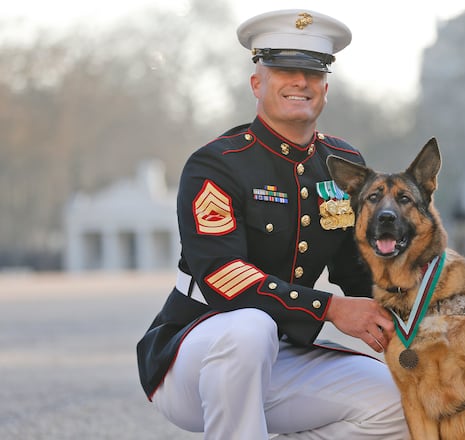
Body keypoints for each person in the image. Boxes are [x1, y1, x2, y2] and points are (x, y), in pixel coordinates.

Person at [136, 9, 408, 439]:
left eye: (313, 72)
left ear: (325, 87)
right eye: (285, 69)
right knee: (250, 327)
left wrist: (432, 304)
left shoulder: (343, 164)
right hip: (198, 352)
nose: (301, 82)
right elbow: (223, 277)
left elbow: (362, 270)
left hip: (284, 355)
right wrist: (330, 308)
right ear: (257, 83)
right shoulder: (217, 163)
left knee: (400, 403)